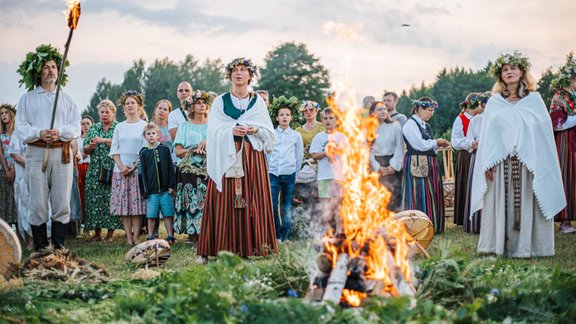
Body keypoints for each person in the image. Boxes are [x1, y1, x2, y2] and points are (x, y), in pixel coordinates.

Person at [470, 52, 566, 257]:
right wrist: (487, 161)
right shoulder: (495, 102)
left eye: (513, 68)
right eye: (505, 69)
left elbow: (543, 134)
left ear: (522, 71)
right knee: (500, 204)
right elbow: (488, 136)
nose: (509, 72)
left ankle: (531, 246)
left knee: (529, 201)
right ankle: (497, 245)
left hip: (528, 164)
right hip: (501, 165)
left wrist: (535, 156)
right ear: (500, 75)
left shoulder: (534, 100)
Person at [197, 57, 277, 262]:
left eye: (243, 70)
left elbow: (268, 132)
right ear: (230, 75)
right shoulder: (220, 101)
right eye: (235, 70)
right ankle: (219, 247)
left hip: (252, 158)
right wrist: (231, 129)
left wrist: (256, 129)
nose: (239, 73)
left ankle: (254, 247)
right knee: (223, 200)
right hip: (227, 155)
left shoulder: (257, 101)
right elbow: (213, 130)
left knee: (253, 199)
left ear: (250, 76)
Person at [15, 44, 81, 250]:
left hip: (62, 153)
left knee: (61, 202)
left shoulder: (67, 99)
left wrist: (59, 132)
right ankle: (41, 247)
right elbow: (21, 127)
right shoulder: (27, 99)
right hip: (36, 153)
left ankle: (59, 246)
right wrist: (39, 133)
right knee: (38, 203)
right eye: (46, 67)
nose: (51, 70)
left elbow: (76, 126)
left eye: (54, 66)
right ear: (38, 72)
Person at [401, 97, 450, 234]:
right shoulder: (410, 124)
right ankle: (418, 227)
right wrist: (436, 142)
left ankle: (432, 225)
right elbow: (419, 145)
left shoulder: (425, 125)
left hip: (429, 162)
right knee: (418, 193)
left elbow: (428, 144)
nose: (431, 114)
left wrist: (438, 144)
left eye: (432, 111)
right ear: (419, 109)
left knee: (431, 193)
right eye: (429, 110)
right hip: (416, 163)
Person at [109, 90, 147, 245]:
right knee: (124, 205)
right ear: (124, 108)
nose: (130, 105)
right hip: (121, 171)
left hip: (137, 170)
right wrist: (121, 166)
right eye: (127, 103)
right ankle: (128, 237)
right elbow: (114, 149)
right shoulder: (120, 126)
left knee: (136, 205)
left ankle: (137, 235)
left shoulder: (144, 125)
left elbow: (146, 148)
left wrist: (134, 166)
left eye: (133, 103)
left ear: (138, 106)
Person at [173, 90, 210, 244]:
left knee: (207, 200)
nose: (202, 106)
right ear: (192, 107)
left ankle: (207, 233)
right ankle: (192, 234)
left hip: (208, 169)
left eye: (204, 103)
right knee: (191, 200)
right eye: (198, 103)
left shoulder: (213, 126)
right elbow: (178, 151)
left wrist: (208, 144)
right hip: (189, 168)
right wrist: (193, 149)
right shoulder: (185, 126)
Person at [83, 100, 122, 241]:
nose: (104, 115)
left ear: (113, 113)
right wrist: (91, 147)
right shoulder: (93, 128)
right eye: (102, 112)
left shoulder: (119, 127)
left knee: (112, 199)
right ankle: (97, 233)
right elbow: (85, 149)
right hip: (95, 169)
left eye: (107, 112)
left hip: (113, 168)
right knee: (93, 199)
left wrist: (104, 140)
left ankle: (110, 234)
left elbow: (121, 143)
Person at [267, 96, 304, 241]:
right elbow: (267, 153)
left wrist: (295, 174)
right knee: (272, 205)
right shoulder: (272, 134)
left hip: (289, 174)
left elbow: (298, 156)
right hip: (273, 173)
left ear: (291, 118)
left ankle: (286, 236)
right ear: (277, 118)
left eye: (287, 115)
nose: (284, 117)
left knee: (287, 206)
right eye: (281, 115)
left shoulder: (296, 136)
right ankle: (277, 235)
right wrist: (269, 169)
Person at [310, 108, 349, 234]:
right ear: (322, 120)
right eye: (325, 118)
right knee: (325, 206)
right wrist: (326, 153)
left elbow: (349, 154)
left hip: (338, 177)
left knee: (338, 205)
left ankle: (340, 230)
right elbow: (314, 156)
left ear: (336, 120)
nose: (328, 120)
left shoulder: (341, 137)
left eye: (331, 118)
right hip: (323, 176)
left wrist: (336, 151)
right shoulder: (319, 137)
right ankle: (327, 231)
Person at [549, 52, 576, 233]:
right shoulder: (559, 97)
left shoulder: (573, 97)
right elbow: (557, 124)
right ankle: (564, 221)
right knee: (566, 177)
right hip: (565, 143)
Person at [138, 123, 176, 244]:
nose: (151, 136)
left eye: (153, 133)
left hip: (165, 191)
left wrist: (171, 186)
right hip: (151, 192)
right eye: (148, 134)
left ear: (158, 135)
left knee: (168, 214)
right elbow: (141, 173)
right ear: (145, 137)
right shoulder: (143, 152)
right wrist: (144, 191)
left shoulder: (164, 149)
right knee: (151, 215)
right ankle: (150, 236)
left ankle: (170, 235)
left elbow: (171, 168)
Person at [451, 93, 482, 226]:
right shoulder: (460, 119)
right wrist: (469, 143)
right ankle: (465, 217)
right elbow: (455, 141)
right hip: (466, 156)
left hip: (481, 154)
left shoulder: (481, 119)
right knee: (466, 184)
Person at [368, 101, 404, 211]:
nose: (383, 111)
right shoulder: (368, 129)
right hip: (376, 164)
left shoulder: (395, 126)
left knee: (394, 196)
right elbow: (367, 150)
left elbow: (399, 147)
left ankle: (396, 224)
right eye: (379, 109)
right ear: (372, 113)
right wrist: (377, 168)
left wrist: (392, 166)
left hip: (392, 163)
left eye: (384, 109)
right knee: (378, 197)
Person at [463, 92, 488, 234]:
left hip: (493, 156)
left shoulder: (497, 120)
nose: (484, 107)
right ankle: (477, 224)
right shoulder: (475, 121)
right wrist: (473, 143)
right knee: (478, 186)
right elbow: (468, 139)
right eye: (483, 105)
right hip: (478, 156)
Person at [294, 100, 325, 206]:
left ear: (316, 111)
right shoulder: (298, 131)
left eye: (311, 110)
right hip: (306, 164)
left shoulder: (323, 127)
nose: (308, 112)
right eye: (305, 111)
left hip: (322, 162)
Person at [7, 128, 33, 249]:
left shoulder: (40, 131)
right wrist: (32, 164)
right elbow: (15, 154)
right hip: (23, 176)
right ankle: (30, 241)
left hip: (39, 176)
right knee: (24, 208)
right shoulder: (18, 133)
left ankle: (46, 239)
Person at [0, 103, 17, 227]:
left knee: (16, 199)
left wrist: (13, 170)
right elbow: (0, 153)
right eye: (1, 113)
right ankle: (6, 229)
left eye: (6, 113)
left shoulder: (18, 133)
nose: (3, 115)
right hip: (3, 170)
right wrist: (7, 170)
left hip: (18, 169)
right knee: (4, 200)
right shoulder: (1, 134)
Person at [76, 115, 93, 222]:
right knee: (80, 192)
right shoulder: (77, 139)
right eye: (83, 124)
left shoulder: (93, 139)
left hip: (90, 166)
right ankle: (81, 219)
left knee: (90, 193)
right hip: (79, 167)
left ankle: (90, 218)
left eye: (88, 124)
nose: (85, 126)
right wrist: (82, 154)